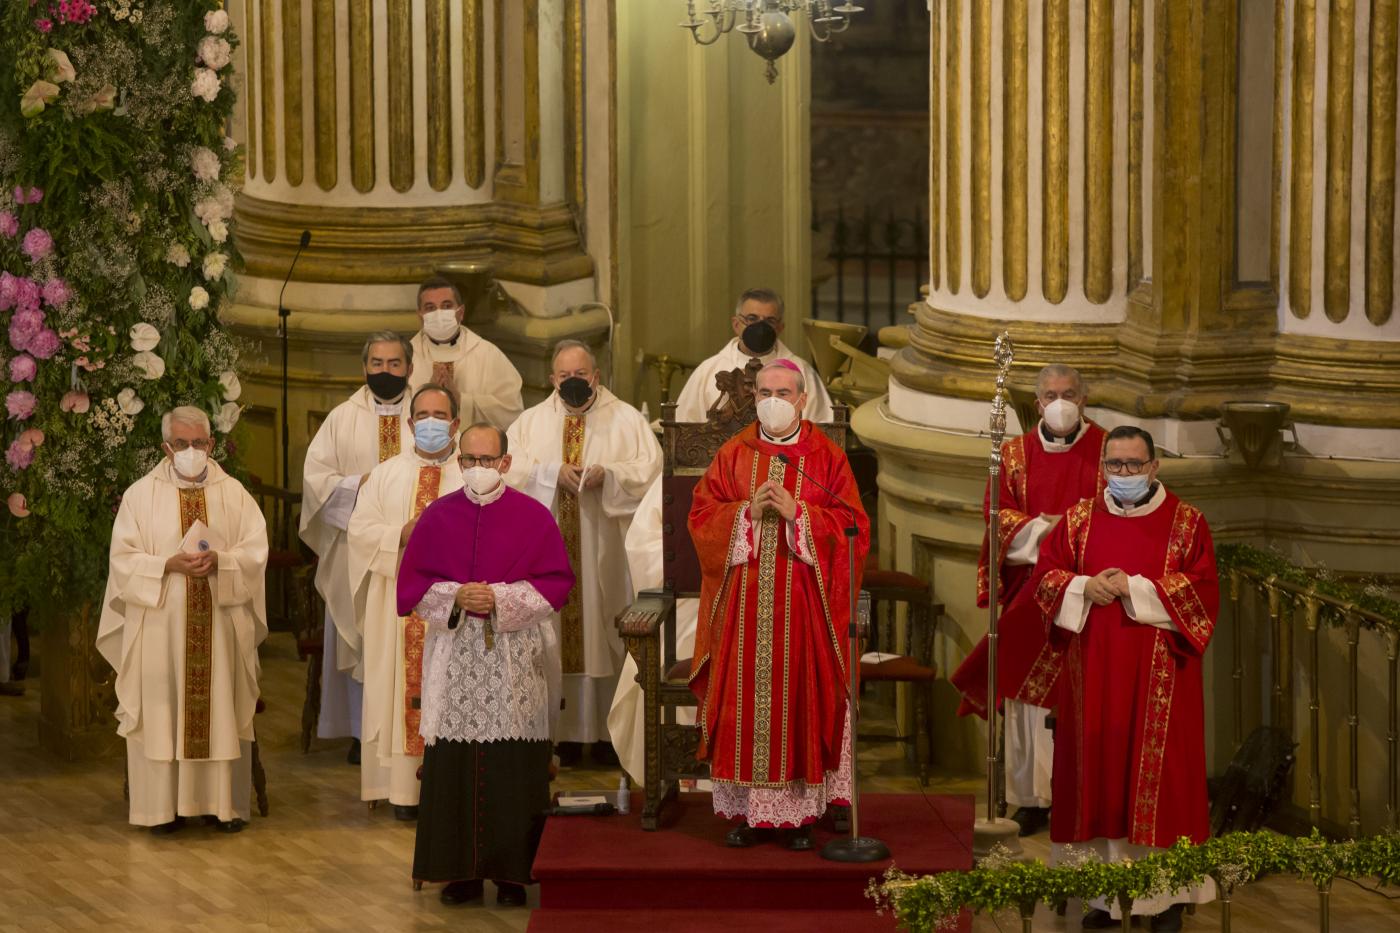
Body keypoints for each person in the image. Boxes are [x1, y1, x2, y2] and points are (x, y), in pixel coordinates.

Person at [977, 426, 1218, 932]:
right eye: (1115, 466)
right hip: (1093, 675)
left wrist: (1133, 588)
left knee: (1158, 783)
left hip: (1162, 682)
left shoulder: (1187, 523)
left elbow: (1202, 593)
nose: (1124, 474)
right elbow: (1046, 578)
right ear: (1103, 467)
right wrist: (1086, 585)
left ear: (1154, 467)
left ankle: (1165, 897)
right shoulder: (1079, 520)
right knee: (1098, 775)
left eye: (1134, 465)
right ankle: (1102, 897)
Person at [688, 360, 869, 850]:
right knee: (743, 706)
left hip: (804, 609)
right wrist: (745, 512)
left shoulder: (828, 457)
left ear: (802, 400)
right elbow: (701, 516)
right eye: (764, 391)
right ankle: (750, 812)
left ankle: (800, 815)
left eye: (782, 392)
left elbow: (855, 528)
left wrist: (799, 514)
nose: (772, 400)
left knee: (799, 702)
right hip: (742, 608)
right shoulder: (734, 453)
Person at [398, 424, 574, 907]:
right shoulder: (437, 516)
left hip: (515, 659)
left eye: (486, 459)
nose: (478, 469)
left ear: (505, 462)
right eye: (469, 461)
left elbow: (555, 584)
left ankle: (514, 873)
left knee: (514, 764)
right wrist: (456, 594)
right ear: (460, 465)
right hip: (456, 657)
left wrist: (496, 597)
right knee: (456, 762)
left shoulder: (533, 517)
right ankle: (461, 873)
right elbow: (413, 588)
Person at [949, 363, 1106, 836]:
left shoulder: (1107, 451)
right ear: (1037, 403)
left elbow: (1119, 513)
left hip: (1091, 596)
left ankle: (1082, 793)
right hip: (1032, 594)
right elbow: (995, 517)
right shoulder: (1013, 454)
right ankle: (1031, 799)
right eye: (1051, 394)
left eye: (1070, 393)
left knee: (1083, 696)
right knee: (1027, 705)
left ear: (1084, 398)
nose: (1061, 402)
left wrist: (1072, 531)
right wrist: (1048, 530)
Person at [96, 406, 268, 833]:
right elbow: (122, 561)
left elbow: (255, 553)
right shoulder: (141, 495)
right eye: (181, 444)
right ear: (166, 447)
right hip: (160, 628)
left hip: (219, 625)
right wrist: (166, 565)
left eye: (198, 444)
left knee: (220, 708)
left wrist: (222, 561)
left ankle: (220, 806)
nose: (191, 451)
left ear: (212, 445)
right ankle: (160, 810)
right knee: (162, 710)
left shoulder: (234, 494)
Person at [505, 340, 662, 766]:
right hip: (550, 549)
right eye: (564, 376)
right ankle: (565, 736)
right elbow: (510, 469)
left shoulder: (626, 419)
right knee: (555, 631)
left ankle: (611, 737)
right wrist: (551, 473)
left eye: (581, 375)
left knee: (605, 630)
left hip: (605, 547)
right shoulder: (529, 422)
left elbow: (651, 471)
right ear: (551, 379)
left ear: (596, 376)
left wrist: (607, 476)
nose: (572, 382)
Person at [346, 385, 464, 819]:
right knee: (400, 686)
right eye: (423, 415)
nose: (431, 423)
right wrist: (400, 534)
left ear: (455, 423)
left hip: (455, 609)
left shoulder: (471, 475)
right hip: (398, 608)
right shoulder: (386, 474)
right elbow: (359, 533)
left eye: (441, 415)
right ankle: (402, 790)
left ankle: (449, 785)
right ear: (411, 424)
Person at [300, 332, 415, 763]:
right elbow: (316, 482)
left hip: (410, 549)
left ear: (409, 367)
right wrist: (359, 484)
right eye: (378, 363)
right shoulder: (341, 418)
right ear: (364, 367)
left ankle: (410, 724)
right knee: (360, 635)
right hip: (357, 550)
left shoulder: (425, 414)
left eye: (395, 363)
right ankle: (358, 730)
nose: (385, 371)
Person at [605, 475, 700, 784]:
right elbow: (642, 544)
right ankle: (679, 775)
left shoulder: (781, 465)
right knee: (673, 651)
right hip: (688, 600)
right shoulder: (677, 477)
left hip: (763, 600)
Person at [673, 288, 834, 423]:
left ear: (780, 328)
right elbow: (685, 426)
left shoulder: (801, 371)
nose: (760, 327)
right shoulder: (709, 370)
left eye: (769, 321)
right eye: (752, 318)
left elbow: (822, 427)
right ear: (736, 324)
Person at [408, 275, 524, 429]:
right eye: (430, 308)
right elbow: (393, 413)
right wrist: (428, 394)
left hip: (477, 451)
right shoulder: (406, 357)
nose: (439, 314)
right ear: (420, 316)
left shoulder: (487, 354)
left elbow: (513, 412)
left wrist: (461, 400)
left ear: (461, 312)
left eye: (447, 306)